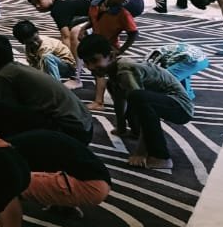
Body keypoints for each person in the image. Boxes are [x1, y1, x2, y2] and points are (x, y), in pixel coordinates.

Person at [78, 33, 192, 170]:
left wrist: (140, 152)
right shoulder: (114, 72)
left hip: (180, 107)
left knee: (137, 97)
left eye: (94, 60)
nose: (90, 67)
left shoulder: (125, 70)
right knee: (119, 89)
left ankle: (161, 157)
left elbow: (141, 103)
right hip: (157, 101)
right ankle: (137, 133)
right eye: (86, 62)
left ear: (112, 56)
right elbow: (120, 102)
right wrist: (121, 128)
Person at [0, 33, 94, 145]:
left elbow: (10, 117)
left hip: (72, 133)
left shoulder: (3, 77)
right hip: (85, 126)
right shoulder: (15, 68)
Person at [73, 0, 140, 66]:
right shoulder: (94, 5)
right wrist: (84, 28)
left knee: (102, 69)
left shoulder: (123, 14)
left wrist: (120, 51)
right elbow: (93, 20)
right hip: (95, 45)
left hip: (109, 50)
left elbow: (134, 33)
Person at [26, 0, 92, 64]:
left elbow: (66, 36)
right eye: (34, 4)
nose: (37, 6)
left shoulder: (57, 10)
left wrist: (68, 59)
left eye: (39, 1)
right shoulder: (61, 4)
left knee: (74, 35)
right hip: (91, 19)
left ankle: (77, 65)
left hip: (98, 19)